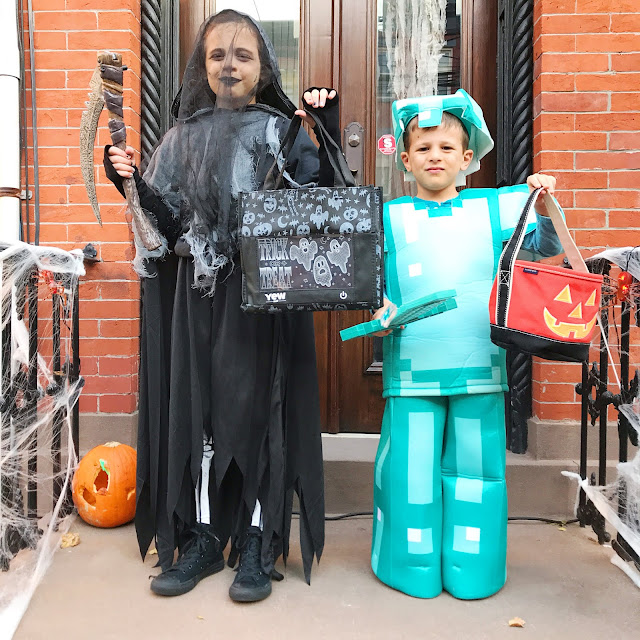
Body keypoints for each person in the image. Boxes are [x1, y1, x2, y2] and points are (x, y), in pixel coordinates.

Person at [104, 9, 340, 602]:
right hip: (197, 299)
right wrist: (130, 184)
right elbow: (166, 225)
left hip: (262, 296)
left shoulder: (281, 131)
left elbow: (320, 204)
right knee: (201, 409)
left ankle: (256, 539)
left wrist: (324, 127)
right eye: (217, 55)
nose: (229, 65)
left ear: (264, 69)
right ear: (201, 66)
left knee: (259, 408)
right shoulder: (181, 139)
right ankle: (205, 536)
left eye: (242, 55)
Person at [370, 89, 563, 600]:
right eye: (423, 148)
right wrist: (378, 309)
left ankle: (473, 566)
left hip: (480, 366)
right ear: (405, 159)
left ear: (467, 157)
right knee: (409, 472)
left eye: (446, 148)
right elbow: (369, 280)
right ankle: (408, 564)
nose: (435, 156)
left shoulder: (496, 208)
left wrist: (543, 202)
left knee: (478, 472)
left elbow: (545, 248)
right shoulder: (387, 217)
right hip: (412, 370)